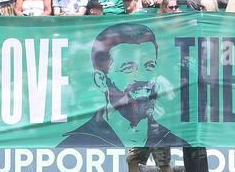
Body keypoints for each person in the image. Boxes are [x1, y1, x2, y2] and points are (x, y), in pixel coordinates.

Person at [57, 21, 186, 148]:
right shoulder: (76, 144)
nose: (143, 78)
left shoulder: (173, 142)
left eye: (149, 66)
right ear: (100, 80)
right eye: (128, 68)